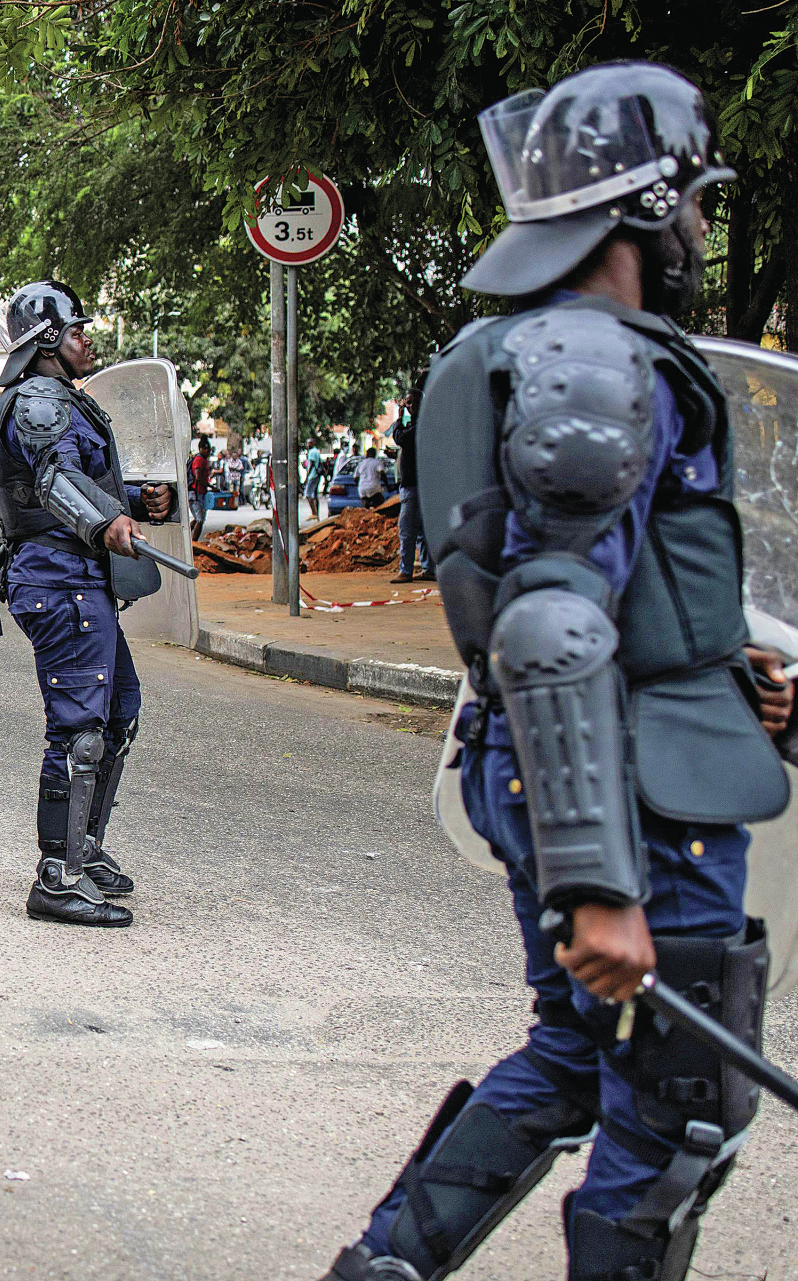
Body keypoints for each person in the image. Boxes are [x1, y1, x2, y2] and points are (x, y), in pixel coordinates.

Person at [322, 63, 793, 1281]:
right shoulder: (594, 354)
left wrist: (726, 665)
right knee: (680, 1103)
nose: (700, 230)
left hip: (579, 762)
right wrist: (598, 881)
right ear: (645, 208)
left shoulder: (530, 347)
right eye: (692, 205)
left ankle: (383, 1268)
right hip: (633, 804)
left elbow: (601, 591)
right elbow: (548, 624)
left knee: (580, 1054)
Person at [0, 280, 175, 927]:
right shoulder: (38, 399)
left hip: (80, 575)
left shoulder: (61, 397)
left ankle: (82, 847)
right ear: (47, 342)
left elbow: (78, 475)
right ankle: (57, 874)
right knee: (78, 728)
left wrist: (136, 498)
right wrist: (104, 523)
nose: (87, 339)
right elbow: (54, 479)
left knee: (119, 710)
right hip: (58, 576)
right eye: (77, 330)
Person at [389, 383, 433, 583]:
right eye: (409, 403)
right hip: (422, 485)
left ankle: (405, 570)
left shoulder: (418, 426)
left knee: (407, 530)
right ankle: (428, 568)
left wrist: (398, 418)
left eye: (413, 403)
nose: (410, 406)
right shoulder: (423, 424)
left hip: (413, 486)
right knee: (422, 531)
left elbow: (400, 438)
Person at [186, 435, 213, 540]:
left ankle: (187, 538)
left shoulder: (202, 459)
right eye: (205, 449)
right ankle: (194, 542)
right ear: (201, 449)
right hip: (196, 494)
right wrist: (210, 486)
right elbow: (198, 477)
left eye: (208, 449)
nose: (207, 451)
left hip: (199, 493)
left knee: (198, 518)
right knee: (200, 520)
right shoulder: (199, 460)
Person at [303, 442, 325, 518]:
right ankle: (316, 513)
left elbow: (311, 465)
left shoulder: (312, 452)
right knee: (314, 495)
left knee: (307, 494)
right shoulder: (316, 451)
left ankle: (314, 512)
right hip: (316, 476)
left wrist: (307, 476)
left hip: (312, 476)